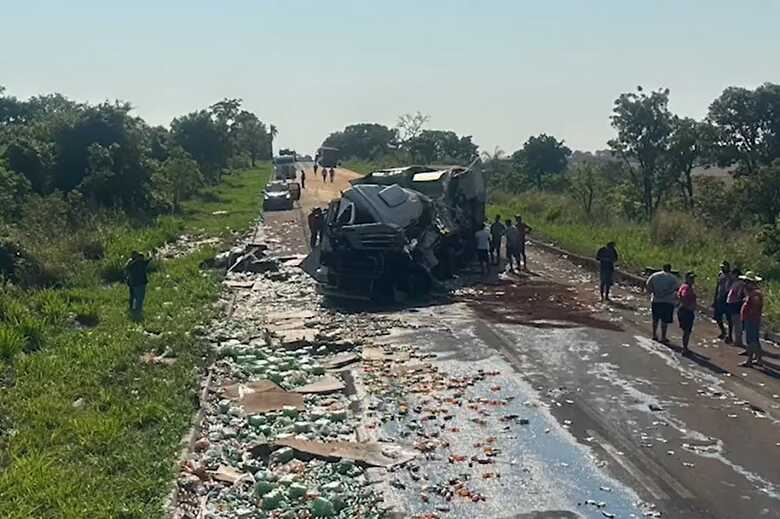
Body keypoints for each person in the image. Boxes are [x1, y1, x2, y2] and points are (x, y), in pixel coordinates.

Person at [645, 264, 679, 343]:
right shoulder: (673, 278)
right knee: (664, 320)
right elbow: (676, 288)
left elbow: (648, 285)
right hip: (668, 301)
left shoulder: (654, 276)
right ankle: (663, 337)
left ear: (663, 268)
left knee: (655, 319)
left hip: (656, 300)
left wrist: (652, 292)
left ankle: (654, 335)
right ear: (670, 269)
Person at [739, 271, 764, 368]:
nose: (744, 284)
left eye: (746, 282)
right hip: (750, 319)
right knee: (754, 340)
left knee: (751, 341)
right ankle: (758, 360)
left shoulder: (755, 294)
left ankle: (749, 360)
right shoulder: (751, 293)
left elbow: (754, 309)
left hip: (752, 320)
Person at [677, 272, 697, 354]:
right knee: (687, 331)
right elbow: (683, 296)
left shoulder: (684, 286)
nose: (693, 280)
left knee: (686, 331)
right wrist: (688, 306)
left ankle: (685, 348)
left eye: (693, 278)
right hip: (686, 311)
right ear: (686, 278)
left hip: (683, 310)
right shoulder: (687, 288)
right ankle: (685, 349)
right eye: (691, 278)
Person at [712, 261, 732, 339]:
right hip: (719, 299)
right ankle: (723, 331)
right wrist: (714, 300)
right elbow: (717, 287)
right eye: (722, 267)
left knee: (729, 319)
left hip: (727, 300)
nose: (722, 268)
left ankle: (730, 336)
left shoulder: (731, 276)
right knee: (717, 317)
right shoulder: (720, 274)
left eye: (724, 267)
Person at [726, 268, 745, 347]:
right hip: (732, 304)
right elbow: (727, 289)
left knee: (737, 323)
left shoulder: (740, 283)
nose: (731, 276)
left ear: (736, 274)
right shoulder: (734, 282)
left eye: (732, 274)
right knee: (734, 322)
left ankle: (738, 341)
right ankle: (736, 340)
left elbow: (740, 294)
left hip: (736, 304)